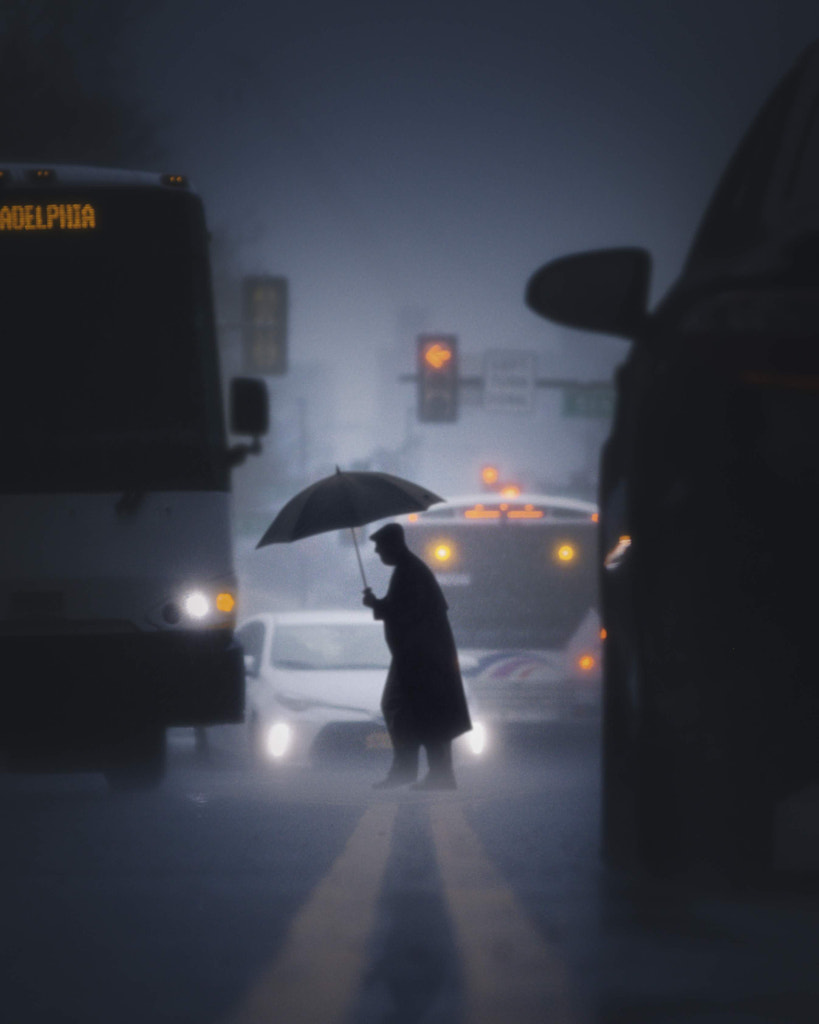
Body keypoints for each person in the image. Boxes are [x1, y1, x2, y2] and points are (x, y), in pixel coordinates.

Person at [362, 522, 472, 790]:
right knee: (424, 713)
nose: (378, 554)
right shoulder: (409, 570)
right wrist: (378, 604)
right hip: (419, 658)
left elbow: (406, 614)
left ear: (393, 544)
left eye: (380, 548)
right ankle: (429, 772)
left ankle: (414, 770)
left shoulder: (409, 572)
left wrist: (376, 605)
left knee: (404, 709)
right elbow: (404, 610)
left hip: (421, 659)